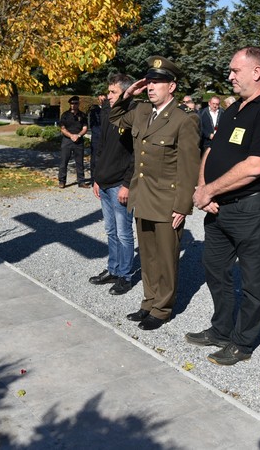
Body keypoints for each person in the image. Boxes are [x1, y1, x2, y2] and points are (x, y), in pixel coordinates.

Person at [187, 46, 260, 366]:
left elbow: (256, 165)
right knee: (214, 268)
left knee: (254, 280)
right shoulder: (234, 109)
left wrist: (210, 191)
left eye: (235, 71)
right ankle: (220, 329)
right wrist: (204, 189)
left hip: (254, 209)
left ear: (256, 72)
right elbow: (211, 149)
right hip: (219, 207)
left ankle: (243, 342)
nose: (230, 76)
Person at [109, 55, 200, 330]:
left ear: (171, 87)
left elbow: (188, 167)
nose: (151, 87)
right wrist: (127, 93)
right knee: (148, 257)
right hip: (143, 196)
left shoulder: (184, 120)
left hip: (166, 200)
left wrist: (182, 206)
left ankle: (162, 308)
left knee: (166, 258)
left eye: (158, 82)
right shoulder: (142, 111)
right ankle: (148, 301)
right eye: (149, 82)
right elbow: (113, 116)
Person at [89, 74, 136, 295]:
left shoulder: (134, 114)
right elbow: (101, 148)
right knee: (110, 231)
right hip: (105, 182)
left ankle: (125, 276)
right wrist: (96, 178)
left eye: (113, 92)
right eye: (108, 92)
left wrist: (127, 184)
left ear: (125, 93)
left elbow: (137, 155)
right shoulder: (107, 113)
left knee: (124, 233)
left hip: (120, 184)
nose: (108, 96)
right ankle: (113, 269)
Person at [58, 96, 89, 188]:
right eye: (72, 103)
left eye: (75, 103)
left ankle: (81, 182)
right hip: (67, 140)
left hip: (79, 141)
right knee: (64, 161)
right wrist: (71, 136)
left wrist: (78, 135)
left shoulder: (82, 115)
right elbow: (62, 128)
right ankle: (62, 181)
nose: (73, 105)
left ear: (78, 104)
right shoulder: (65, 115)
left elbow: (85, 128)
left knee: (79, 162)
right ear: (69, 104)